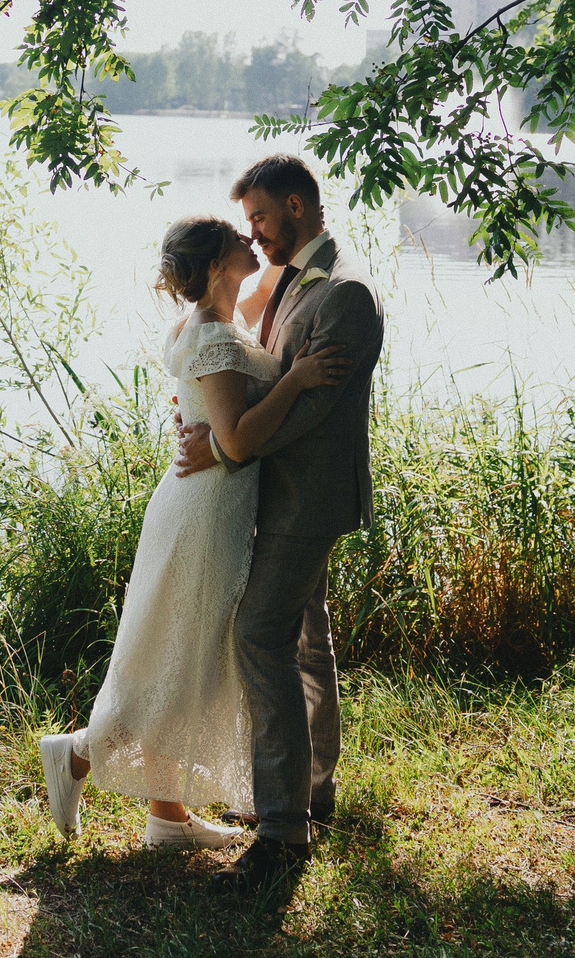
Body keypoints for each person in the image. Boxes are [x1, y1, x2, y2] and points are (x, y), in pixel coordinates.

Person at [38, 214, 349, 849]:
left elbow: (219, 407)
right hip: (205, 514)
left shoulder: (208, 325)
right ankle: (74, 754)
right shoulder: (213, 337)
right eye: (239, 238)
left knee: (184, 654)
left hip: (200, 506)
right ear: (214, 266)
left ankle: (167, 818)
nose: (249, 239)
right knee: (175, 659)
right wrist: (296, 378)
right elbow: (236, 438)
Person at [176, 153, 384, 893]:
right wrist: (214, 425)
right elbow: (264, 371)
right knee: (304, 633)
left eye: (260, 216)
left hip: (306, 498)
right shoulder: (295, 278)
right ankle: (313, 788)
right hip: (286, 491)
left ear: (296, 206)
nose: (254, 232)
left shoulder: (347, 295)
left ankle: (280, 834)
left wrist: (228, 447)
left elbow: (310, 409)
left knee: (257, 634)